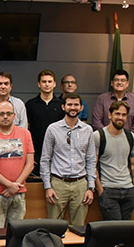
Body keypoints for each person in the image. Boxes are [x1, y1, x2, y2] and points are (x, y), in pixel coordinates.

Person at [40, 94, 96, 226]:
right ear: (63, 107)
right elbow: (45, 159)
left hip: (80, 184)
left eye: (76, 105)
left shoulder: (88, 130)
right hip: (58, 183)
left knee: (79, 227)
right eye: (69, 104)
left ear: (81, 107)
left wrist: (90, 187)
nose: (73, 107)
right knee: (54, 226)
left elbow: (91, 159)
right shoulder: (53, 129)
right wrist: (47, 186)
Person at [0, 100, 34, 228]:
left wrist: (15, 186)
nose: (5, 117)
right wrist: (9, 185)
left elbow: (30, 164)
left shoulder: (25, 134)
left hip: (19, 192)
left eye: (9, 114)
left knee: (17, 234)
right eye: (2, 113)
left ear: (14, 116)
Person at [92, 101, 134, 221]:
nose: (120, 117)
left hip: (129, 190)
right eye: (117, 114)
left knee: (126, 229)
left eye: (124, 115)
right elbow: (93, 166)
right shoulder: (98, 136)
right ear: (110, 115)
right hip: (108, 190)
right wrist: (100, 190)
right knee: (114, 230)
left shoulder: (131, 137)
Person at [26, 70, 64, 173]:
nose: (47, 84)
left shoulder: (62, 105)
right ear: (39, 84)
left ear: (54, 84)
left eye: (50, 81)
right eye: (44, 81)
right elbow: (26, 130)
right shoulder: (30, 104)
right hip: (36, 153)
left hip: (57, 154)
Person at [91, 69, 134, 134]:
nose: (119, 82)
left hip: (129, 140)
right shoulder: (102, 99)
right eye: (116, 80)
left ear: (127, 83)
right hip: (105, 140)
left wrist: (128, 137)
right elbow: (96, 122)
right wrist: (107, 136)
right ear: (111, 83)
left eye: (123, 80)